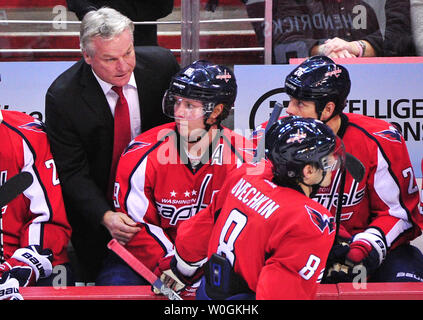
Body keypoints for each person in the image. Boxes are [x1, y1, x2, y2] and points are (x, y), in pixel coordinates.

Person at [45, 7, 179, 283]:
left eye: (128, 52)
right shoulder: (63, 97)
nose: (124, 66)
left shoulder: (162, 66)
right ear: (87, 56)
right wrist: (105, 215)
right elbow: (72, 172)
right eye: (110, 59)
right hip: (98, 213)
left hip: (163, 207)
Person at [95, 60, 254, 288]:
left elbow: (244, 230)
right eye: (177, 102)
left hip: (212, 260)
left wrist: (191, 269)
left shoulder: (244, 159)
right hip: (148, 257)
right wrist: (173, 266)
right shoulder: (141, 152)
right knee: (115, 288)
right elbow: (135, 227)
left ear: (217, 111)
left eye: (189, 105)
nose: (178, 112)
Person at [153, 116, 342, 299]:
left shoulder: (245, 174)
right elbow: (280, 292)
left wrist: (181, 269)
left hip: (208, 292)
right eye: (326, 159)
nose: (333, 163)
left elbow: (203, 226)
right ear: (307, 171)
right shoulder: (310, 221)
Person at [272, 55, 423, 283]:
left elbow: (400, 213)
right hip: (296, 250)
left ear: (328, 109)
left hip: (362, 247)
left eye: (300, 103)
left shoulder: (379, 139)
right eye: (290, 100)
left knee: (406, 277)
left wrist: (364, 247)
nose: (289, 110)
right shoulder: (272, 139)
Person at [0, 110, 72, 300]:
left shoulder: (28, 134)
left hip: (27, 258)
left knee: (59, 281)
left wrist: (20, 266)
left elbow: (47, 218)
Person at [66, 0, 174, 46]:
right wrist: (94, 15)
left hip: (141, 39)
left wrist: (123, 20)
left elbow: (164, 6)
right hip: (98, 36)